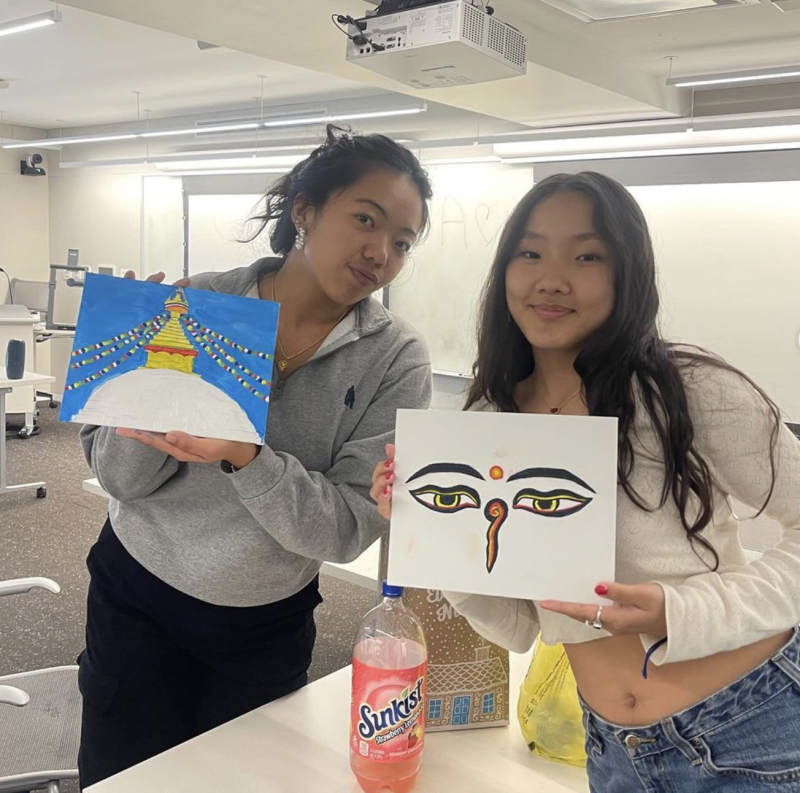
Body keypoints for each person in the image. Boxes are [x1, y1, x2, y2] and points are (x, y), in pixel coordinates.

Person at [372, 172, 800, 792]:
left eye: (587, 255)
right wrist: (431, 535)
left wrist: (681, 612)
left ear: (628, 272)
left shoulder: (687, 390)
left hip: (749, 724)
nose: (551, 278)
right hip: (613, 750)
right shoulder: (492, 421)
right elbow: (520, 628)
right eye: (531, 252)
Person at [78, 125, 433, 786]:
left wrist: (249, 455)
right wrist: (140, 385)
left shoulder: (395, 356)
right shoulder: (200, 302)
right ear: (304, 210)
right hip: (137, 596)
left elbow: (347, 526)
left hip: (262, 625)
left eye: (403, 242)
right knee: (122, 776)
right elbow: (118, 480)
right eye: (365, 219)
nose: (380, 252)